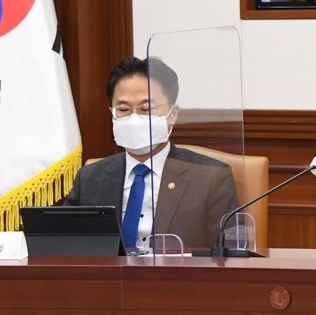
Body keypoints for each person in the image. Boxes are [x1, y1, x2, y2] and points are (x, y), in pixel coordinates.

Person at [65, 57, 238, 252]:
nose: (134, 117)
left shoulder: (210, 178)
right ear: (111, 113)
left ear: (173, 114)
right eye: (123, 109)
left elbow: (229, 256)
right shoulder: (90, 178)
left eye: (146, 108)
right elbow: (65, 247)